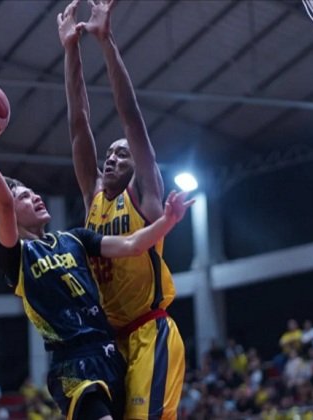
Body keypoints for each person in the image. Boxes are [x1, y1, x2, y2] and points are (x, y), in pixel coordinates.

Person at [0, 111, 193, 420]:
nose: (35, 196)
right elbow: (3, 203)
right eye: (24, 196)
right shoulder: (16, 256)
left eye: (31, 191)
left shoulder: (75, 239)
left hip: (111, 354)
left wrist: (169, 221)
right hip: (74, 366)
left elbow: (134, 245)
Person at [59, 1, 186, 417]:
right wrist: (70, 51)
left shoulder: (145, 197)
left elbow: (132, 120)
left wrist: (105, 41)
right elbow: (79, 121)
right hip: (111, 342)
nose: (112, 158)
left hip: (150, 331)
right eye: (109, 154)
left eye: (122, 155)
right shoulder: (94, 196)